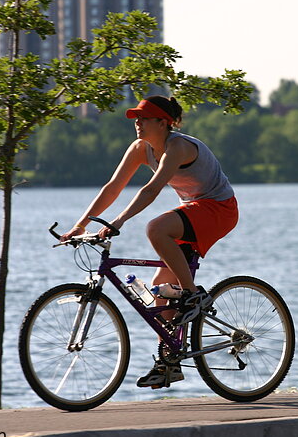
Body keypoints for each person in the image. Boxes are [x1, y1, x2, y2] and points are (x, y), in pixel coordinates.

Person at [60, 95, 239, 387]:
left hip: (219, 208)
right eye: (136, 118)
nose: (138, 124)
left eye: (144, 118)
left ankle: (194, 295)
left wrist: (118, 222)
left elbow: (151, 189)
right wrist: (80, 225)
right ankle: (169, 362)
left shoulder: (178, 147)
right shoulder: (141, 149)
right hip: (194, 210)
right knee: (161, 292)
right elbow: (113, 187)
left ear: (163, 123)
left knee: (156, 228)